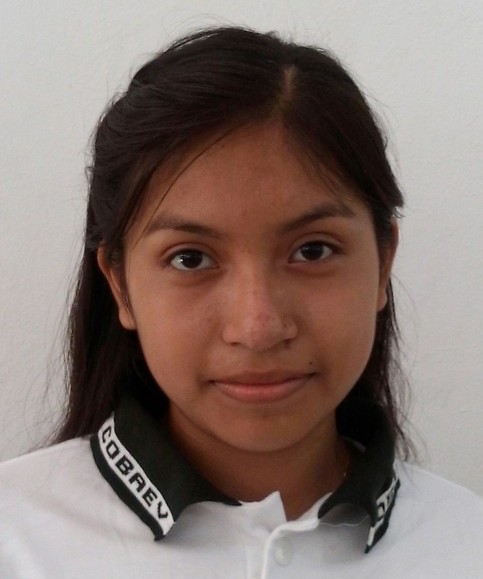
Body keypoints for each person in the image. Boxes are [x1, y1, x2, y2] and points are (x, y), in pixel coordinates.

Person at [1, 26, 482, 579]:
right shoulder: (15, 538)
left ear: (383, 263)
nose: (258, 327)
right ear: (119, 284)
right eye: (190, 259)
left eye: (313, 250)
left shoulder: (465, 545)